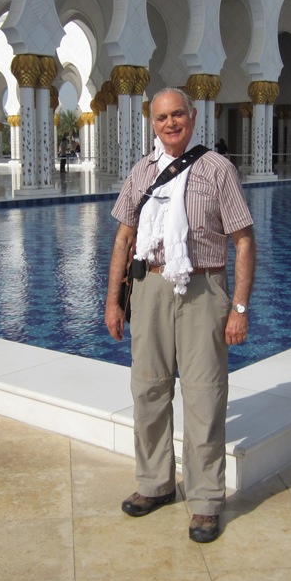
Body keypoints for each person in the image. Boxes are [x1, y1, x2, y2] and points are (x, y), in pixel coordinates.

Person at [105, 88, 256, 544]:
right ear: (152, 123)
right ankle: (155, 483)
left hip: (203, 289)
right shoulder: (141, 172)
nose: (170, 124)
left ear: (193, 117)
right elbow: (123, 238)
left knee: (204, 394)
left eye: (178, 115)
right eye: (161, 118)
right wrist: (114, 299)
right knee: (148, 387)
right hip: (149, 286)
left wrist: (239, 308)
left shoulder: (217, 170)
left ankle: (206, 500)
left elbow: (244, 241)